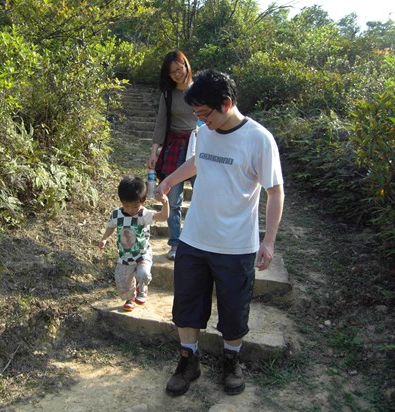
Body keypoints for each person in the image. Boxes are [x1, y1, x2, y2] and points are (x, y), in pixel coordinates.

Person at [155, 69, 285, 396]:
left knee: (233, 310)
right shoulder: (203, 132)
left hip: (236, 245)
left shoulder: (259, 139)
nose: (201, 121)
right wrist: (171, 179)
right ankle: (189, 361)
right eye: (196, 115)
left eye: (204, 114)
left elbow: (275, 191)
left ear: (226, 103)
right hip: (194, 239)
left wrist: (268, 240)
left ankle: (232, 361)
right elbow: (199, 161)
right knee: (186, 306)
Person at [147, 50, 198, 260]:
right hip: (174, 147)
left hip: (199, 146)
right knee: (173, 199)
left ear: (186, 65)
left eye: (180, 68)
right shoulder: (168, 95)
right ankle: (175, 243)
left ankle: (196, 242)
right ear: (168, 75)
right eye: (173, 72)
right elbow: (161, 124)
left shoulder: (201, 89)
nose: (179, 73)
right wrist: (153, 152)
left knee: (203, 197)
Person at [99, 176, 169, 311]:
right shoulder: (117, 214)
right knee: (122, 280)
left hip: (142, 253)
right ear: (121, 201)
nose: (131, 209)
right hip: (125, 255)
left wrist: (165, 203)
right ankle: (129, 298)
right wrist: (104, 238)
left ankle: (142, 288)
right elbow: (111, 226)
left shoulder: (144, 214)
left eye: (135, 205)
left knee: (143, 274)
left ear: (142, 201)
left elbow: (163, 216)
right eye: (126, 205)